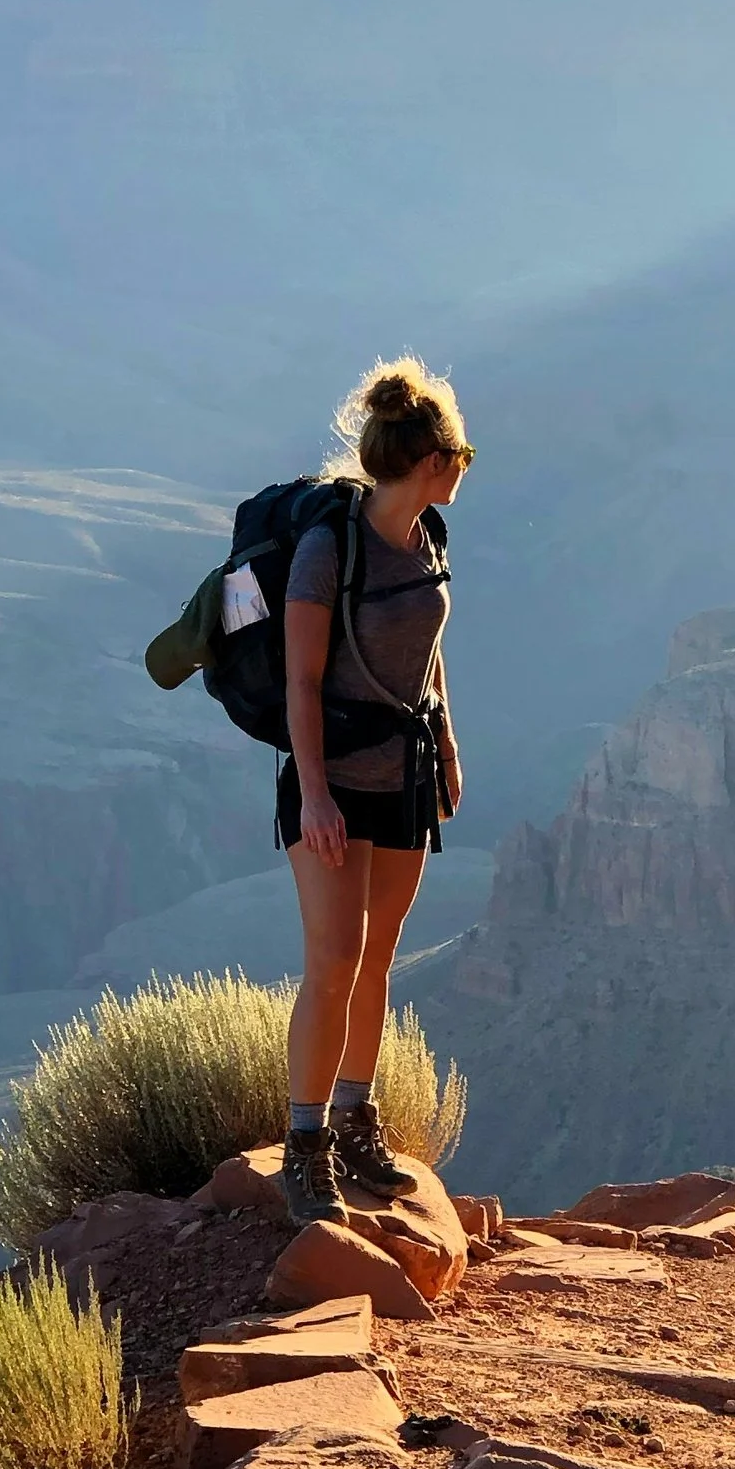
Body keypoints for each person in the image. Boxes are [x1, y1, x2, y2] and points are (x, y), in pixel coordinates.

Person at [278, 359, 471, 1225]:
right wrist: (315, 796)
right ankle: (305, 1145)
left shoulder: (428, 537)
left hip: (406, 774)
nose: (464, 468)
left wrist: (449, 740)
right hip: (333, 783)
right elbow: (301, 684)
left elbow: (426, 650)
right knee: (331, 962)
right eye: (460, 454)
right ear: (429, 461)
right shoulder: (331, 549)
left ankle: (358, 1120)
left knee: (378, 956)